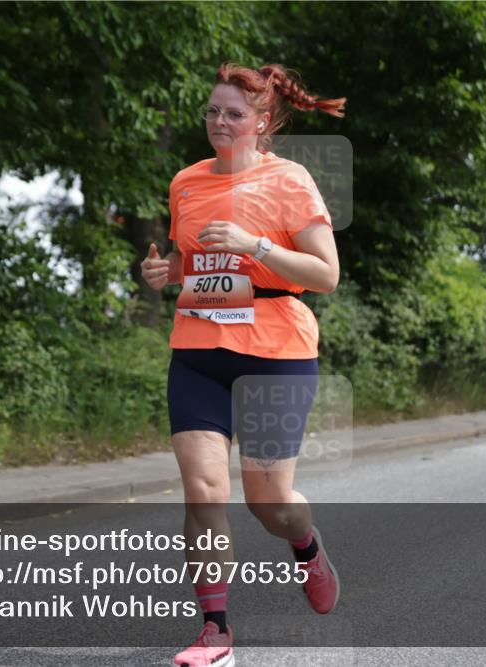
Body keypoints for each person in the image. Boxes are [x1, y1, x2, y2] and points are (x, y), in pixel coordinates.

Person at [140, 62, 345, 667]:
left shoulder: (291, 181)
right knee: (204, 491)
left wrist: (257, 245)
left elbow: (326, 275)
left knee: (269, 503)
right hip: (199, 350)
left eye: (233, 113)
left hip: (276, 354)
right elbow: (197, 267)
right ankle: (215, 632)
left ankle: (306, 546)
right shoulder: (186, 183)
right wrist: (166, 273)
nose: (219, 122)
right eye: (212, 111)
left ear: (262, 121)